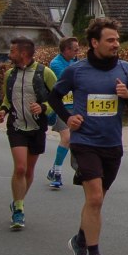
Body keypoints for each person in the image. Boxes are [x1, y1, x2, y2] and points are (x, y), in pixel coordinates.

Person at [48, 17, 128, 255]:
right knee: (95, 198)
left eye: (117, 40)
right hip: (84, 142)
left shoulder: (125, 69)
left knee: (96, 202)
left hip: (112, 143)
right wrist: (68, 118)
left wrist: (127, 97)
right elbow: (54, 96)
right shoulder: (77, 71)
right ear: (94, 42)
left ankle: (80, 240)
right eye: (110, 40)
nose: (116, 44)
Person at [0, 37, 57, 229]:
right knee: (20, 168)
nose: (9, 55)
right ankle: (19, 209)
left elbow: (58, 99)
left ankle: (18, 200)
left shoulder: (44, 73)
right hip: (17, 126)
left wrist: (44, 107)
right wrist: (3, 110)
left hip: (37, 127)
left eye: (12, 51)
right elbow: (8, 97)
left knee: (29, 170)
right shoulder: (10, 74)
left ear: (23, 53)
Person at [45, 36, 81, 190]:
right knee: (66, 137)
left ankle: (54, 169)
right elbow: (71, 79)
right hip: (61, 106)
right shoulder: (56, 64)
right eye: (75, 49)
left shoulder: (75, 62)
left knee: (75, 140)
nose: (78, 52)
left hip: (76, 106)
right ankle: (58, 173)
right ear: (66, 50)